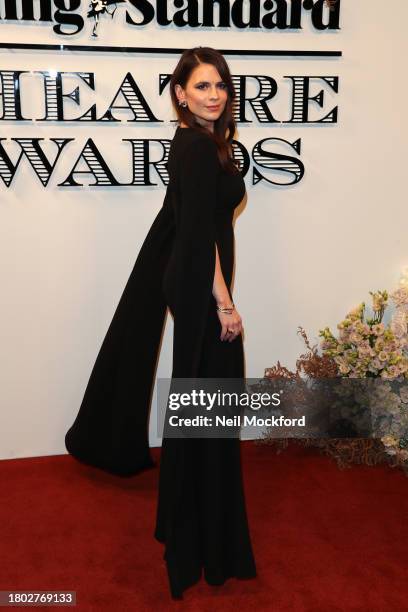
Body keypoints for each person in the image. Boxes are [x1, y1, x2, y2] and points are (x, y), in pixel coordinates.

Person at [65, 46, 257, 599]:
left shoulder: (201, 144)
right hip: (201, 286)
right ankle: (198, 535)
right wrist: (224, 304)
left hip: (195, 278)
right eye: (201, 86)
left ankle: (190, 519)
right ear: (179, 93)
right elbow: (199, 236)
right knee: (210, 406)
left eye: (220, 84)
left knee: (207, 405)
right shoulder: (196, 148)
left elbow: (197, 227)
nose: (214, 94)